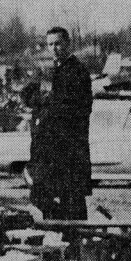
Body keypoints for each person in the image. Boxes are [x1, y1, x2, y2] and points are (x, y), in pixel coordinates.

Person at [29, 27, 92, 220]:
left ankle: (75, 240)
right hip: (49, 148)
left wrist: (46, 104)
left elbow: (74, 107)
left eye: (58, 43)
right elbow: (31, 94)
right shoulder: (50, 72)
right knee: (39, 195)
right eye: (50, 44)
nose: (54, 48)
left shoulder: (77, 71)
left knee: (72, 199)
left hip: (69, 146)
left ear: (67, 44)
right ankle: (59, 230)